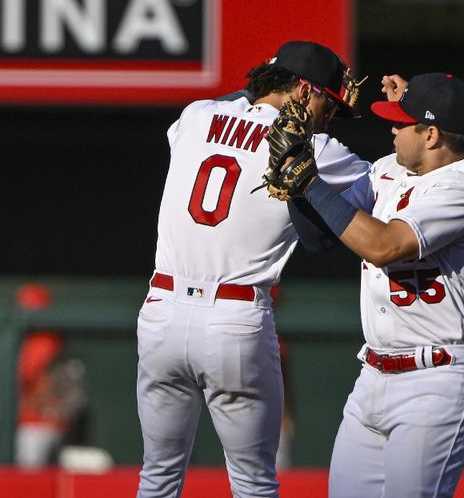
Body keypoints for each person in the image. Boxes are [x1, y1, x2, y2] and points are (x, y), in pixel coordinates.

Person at [136, 40, 369, 498]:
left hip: (161, 309)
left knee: (157, 478)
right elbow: (377, 189)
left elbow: (233, 109)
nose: (330, 115)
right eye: (328, 100)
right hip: (234, 320)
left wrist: (257, 93)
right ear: (304, 90)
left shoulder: (197, 115)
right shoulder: (319, 147)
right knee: (254, 486)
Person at [269, 72, 464, 498]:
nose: (390, 128)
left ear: (431, 135)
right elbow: (320, 236)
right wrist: (294, 180)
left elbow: (383, 246)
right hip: (373, 374)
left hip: (435, 382)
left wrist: (310, 182)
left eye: (401, 121)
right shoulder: (389, 168)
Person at [14, 283, 88, 469]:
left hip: (42, 424)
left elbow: (34, 380)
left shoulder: (47, 342)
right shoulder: (26, 340)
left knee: (33, 476)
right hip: (35, 422)